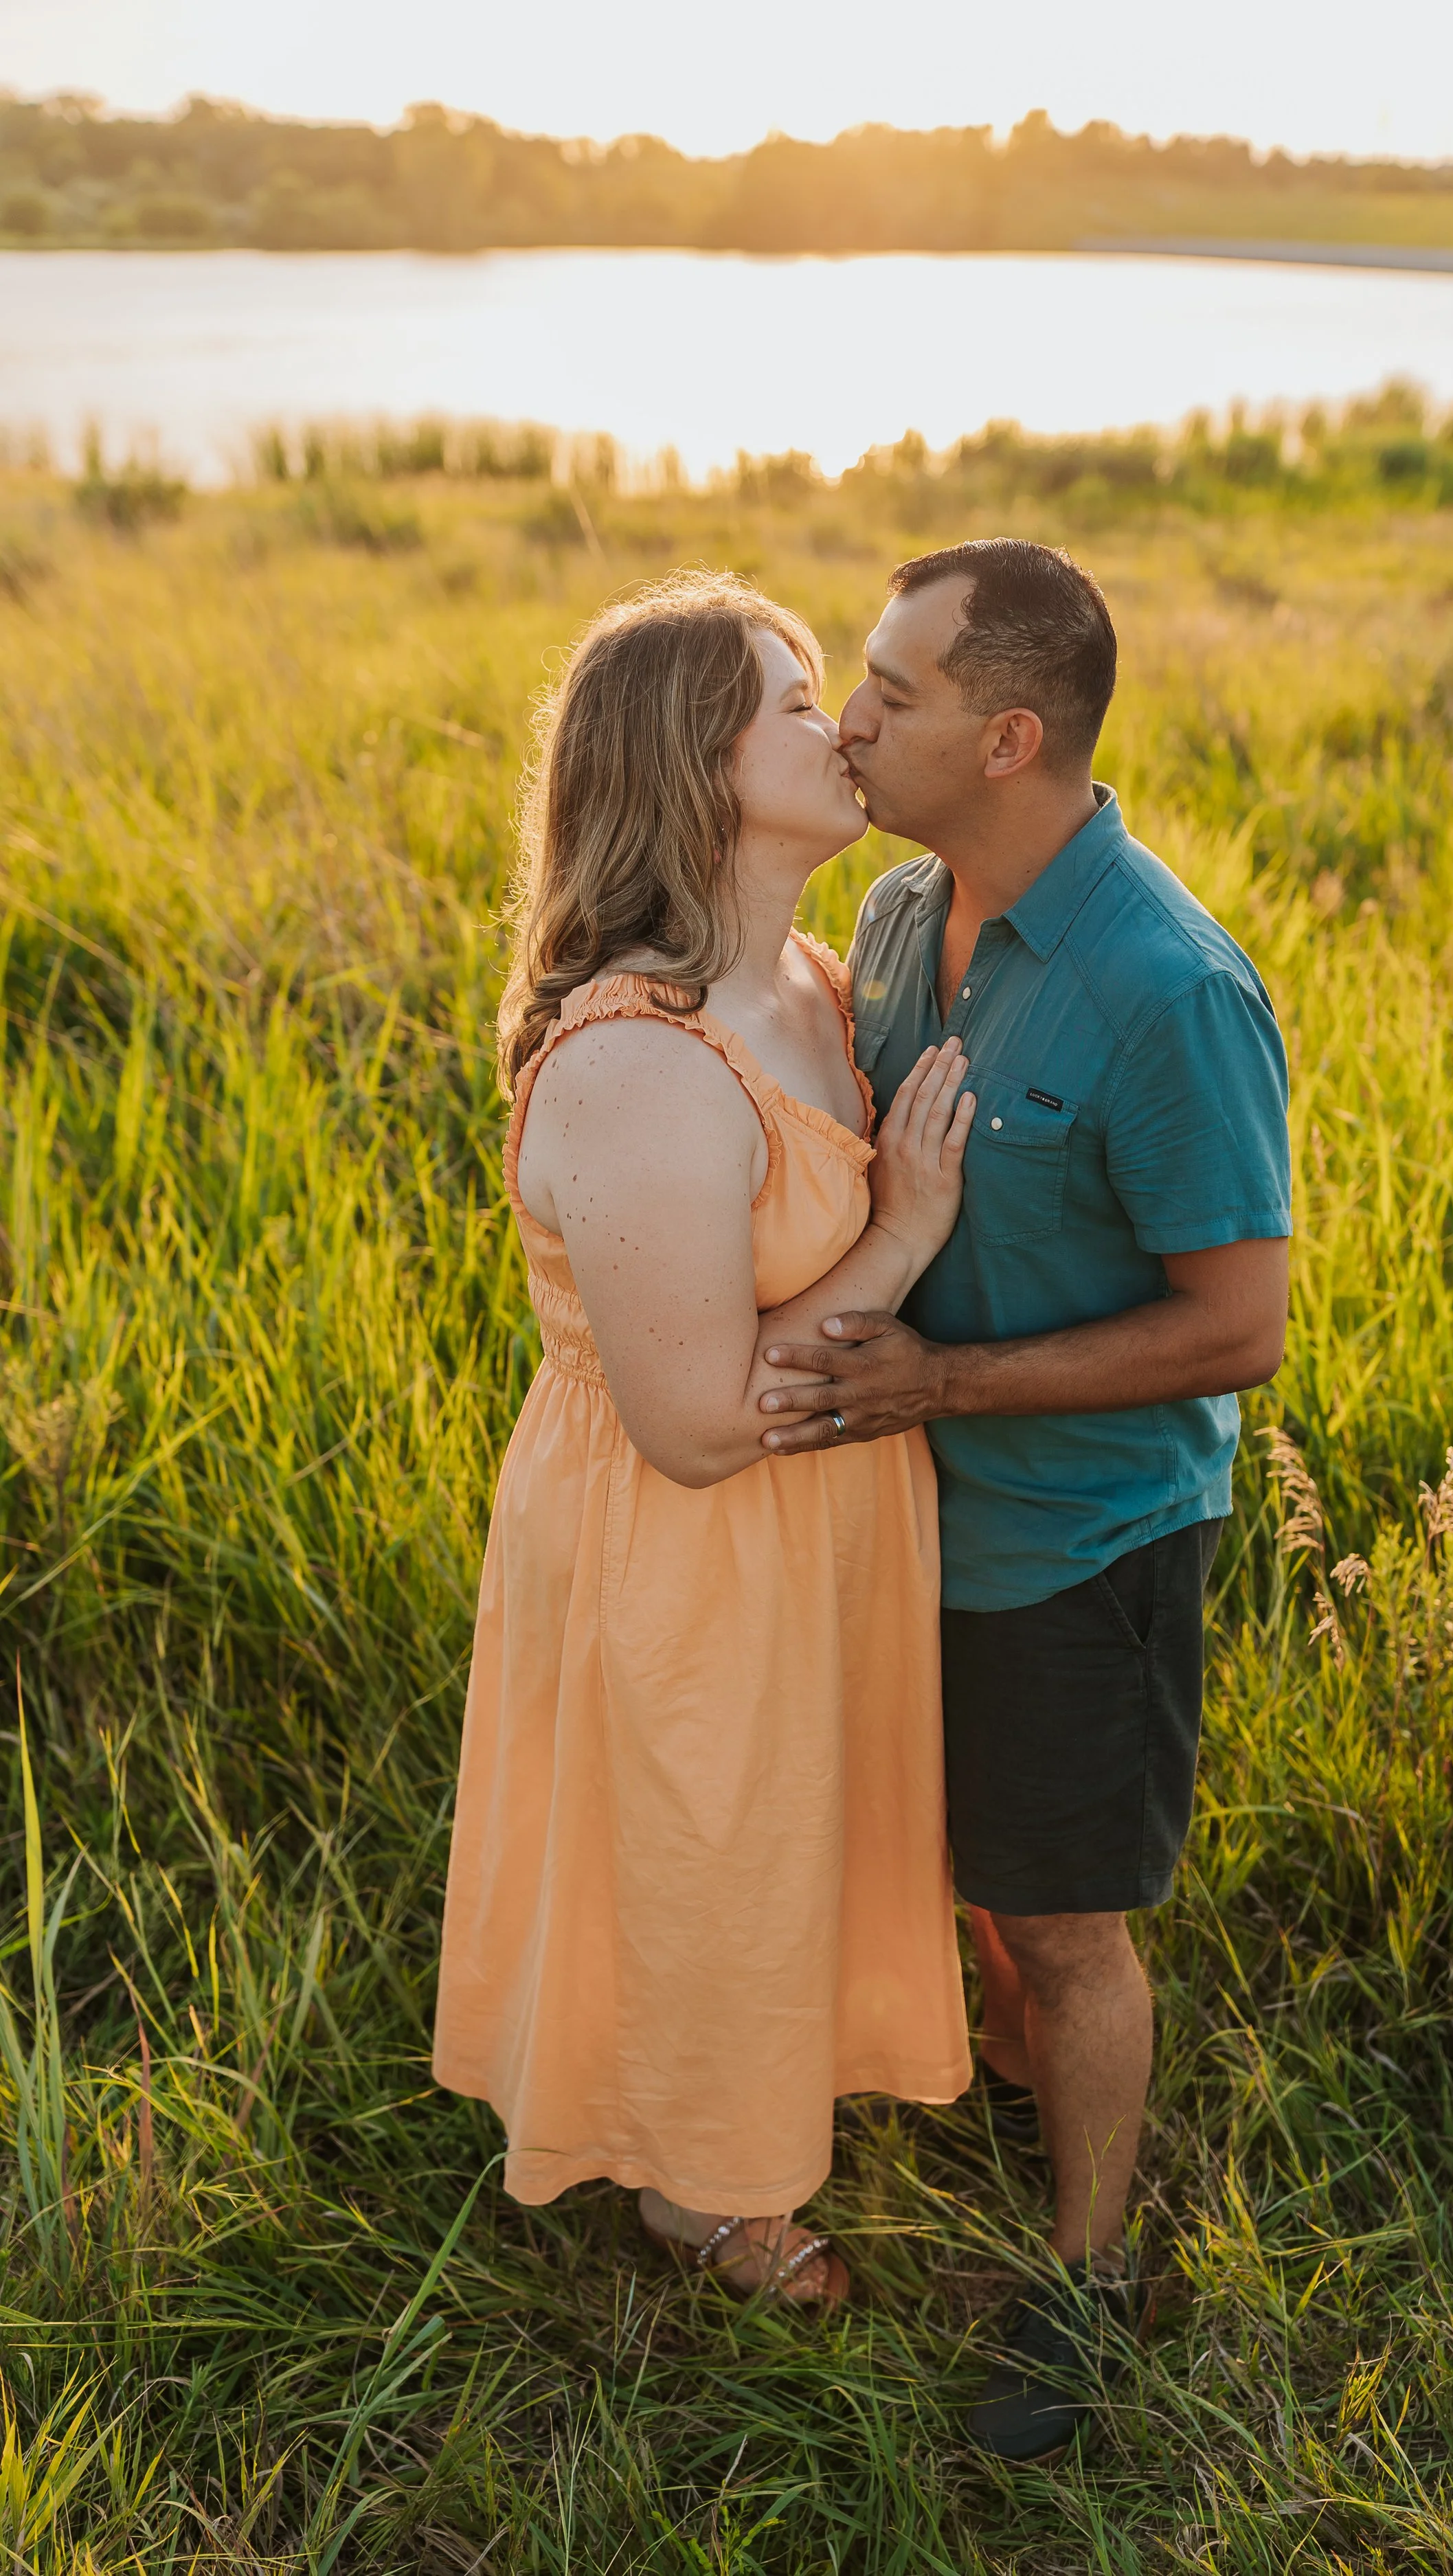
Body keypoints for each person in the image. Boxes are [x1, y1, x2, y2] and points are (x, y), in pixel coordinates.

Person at [755, 540, 1292, 2452]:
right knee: (982, 1870)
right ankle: (1010, 2081)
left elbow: (1238, 1326)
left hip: (1080, 1533)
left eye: (888, 689)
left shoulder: (1169, 986)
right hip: (905, 1509)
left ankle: (1089, 2276)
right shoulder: (902, 911)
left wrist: (946, 1381)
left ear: (1004, 732)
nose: (848, 714)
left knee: (1066, 1917)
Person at [433, 572, 976, 2307]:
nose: (846, 728)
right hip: (698, 1521)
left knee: (791, 1811)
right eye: (798, 697)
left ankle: (768, 2080)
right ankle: (696, 2184)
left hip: (824, 1500)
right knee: (701, 1828)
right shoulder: (637, 1066)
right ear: (695, 765)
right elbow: (688, 1423)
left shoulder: (814, 979)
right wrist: (896, 1238)